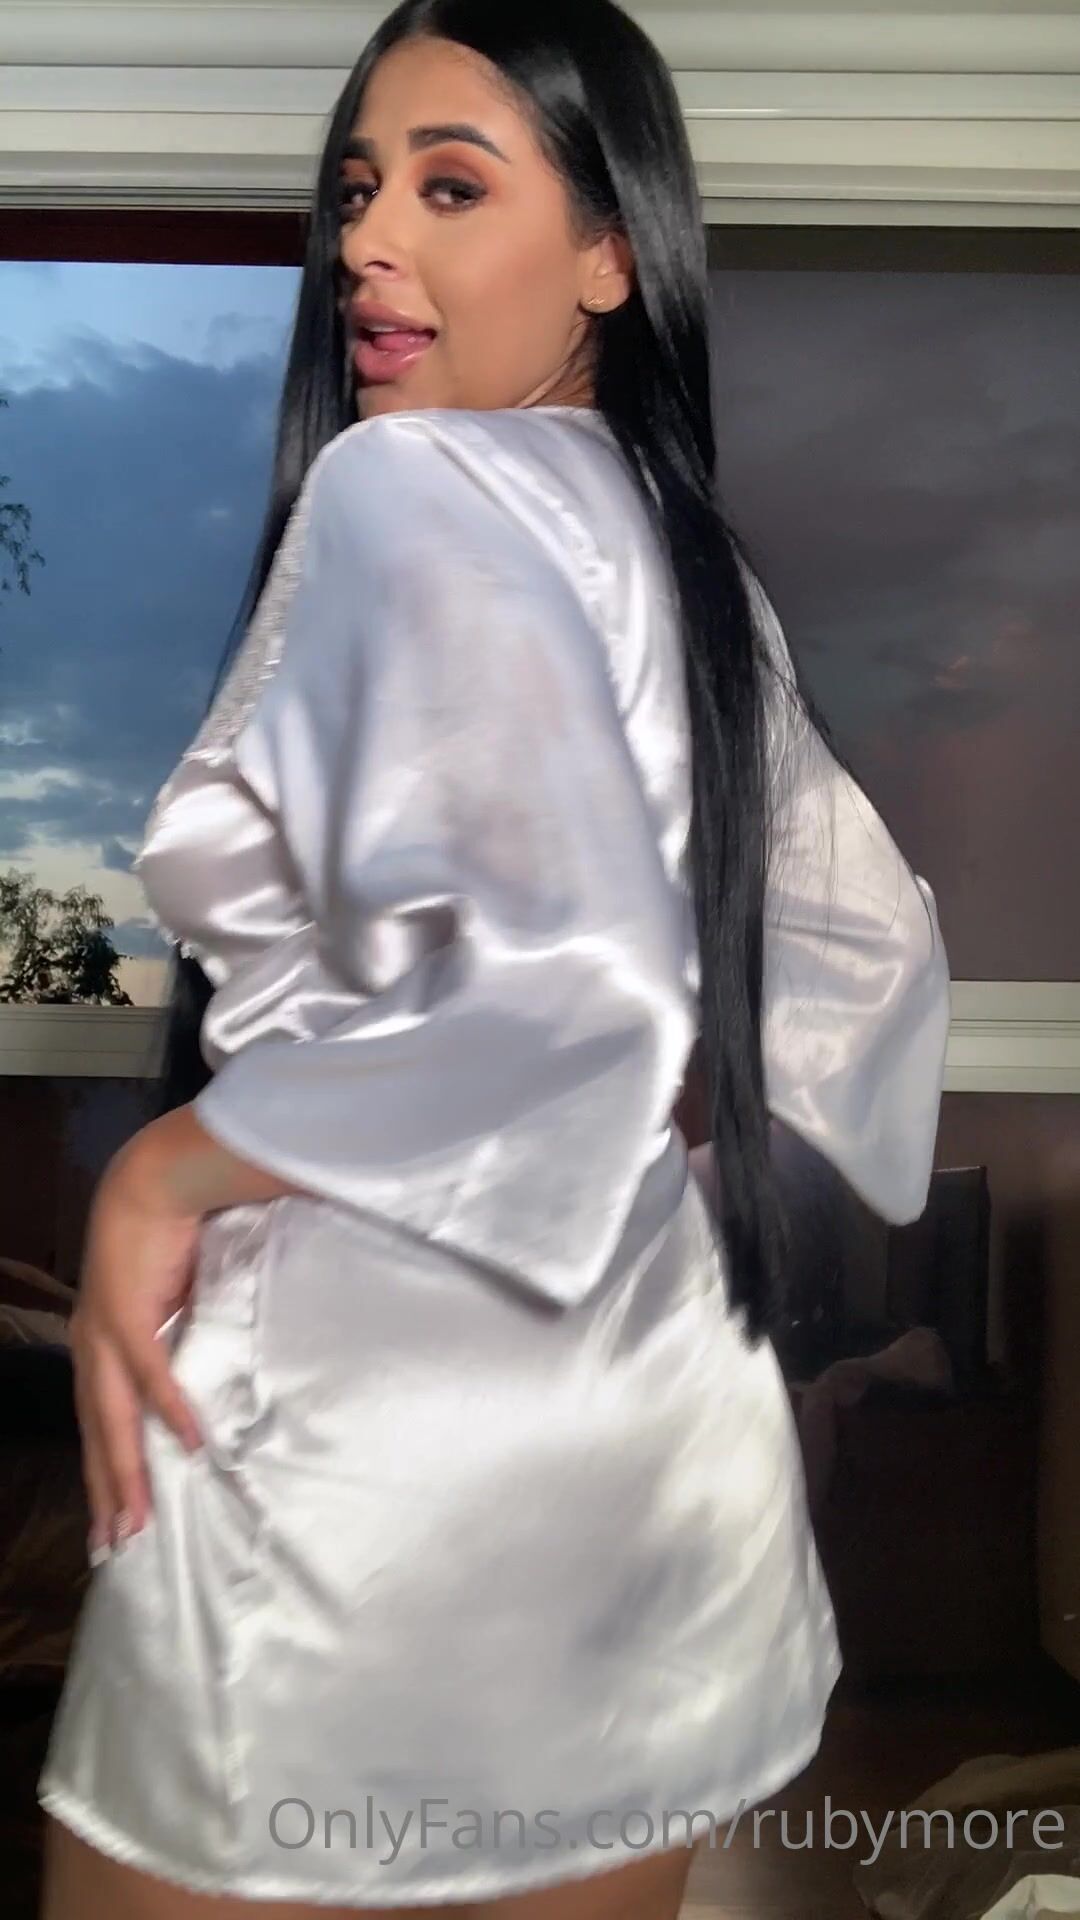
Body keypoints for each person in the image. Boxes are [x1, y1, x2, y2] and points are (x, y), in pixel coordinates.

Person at [37, 2, 952, 1916]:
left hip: (356, 1461)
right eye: (357, 192)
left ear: (612, 252)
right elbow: (858, 942)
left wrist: (165, 1171)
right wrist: (667, 1132)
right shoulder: (687, 556)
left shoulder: (410, 487)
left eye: (452, 189)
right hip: (650, 1438)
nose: (370, 241)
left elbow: (572, 992)